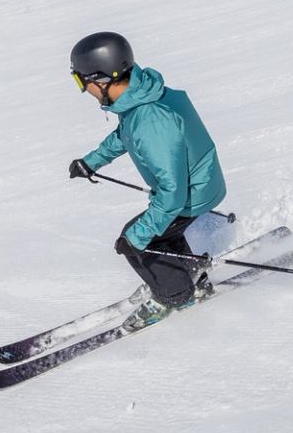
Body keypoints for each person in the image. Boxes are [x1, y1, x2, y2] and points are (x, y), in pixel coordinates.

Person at [65, 32, 227, 331]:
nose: (82, 89)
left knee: (137, 239)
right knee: (160, 231)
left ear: (101, 79)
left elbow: (172, 193)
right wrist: (92, 162)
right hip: (199, 184)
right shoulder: (139, 99)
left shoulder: (149, 118)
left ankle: (175, 295)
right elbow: (126, 135)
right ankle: (191, 274)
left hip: (191, 193)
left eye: (80, 81)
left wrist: (136, 239)